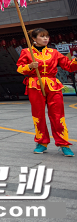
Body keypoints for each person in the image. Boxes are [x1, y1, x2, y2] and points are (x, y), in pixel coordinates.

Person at [16, 28, 77, 156]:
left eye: (47, 37)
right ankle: (42, 142)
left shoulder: (54, 53)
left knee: (58, 115)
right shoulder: (27, 52)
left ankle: (63, 143)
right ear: (33, 39)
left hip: (53, 85)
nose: (46, 39)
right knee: (38, 115)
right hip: (35, 85)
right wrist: (29, 67)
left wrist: (75, 61)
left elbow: (69, 66)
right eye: (42, 36)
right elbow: (20, 69)